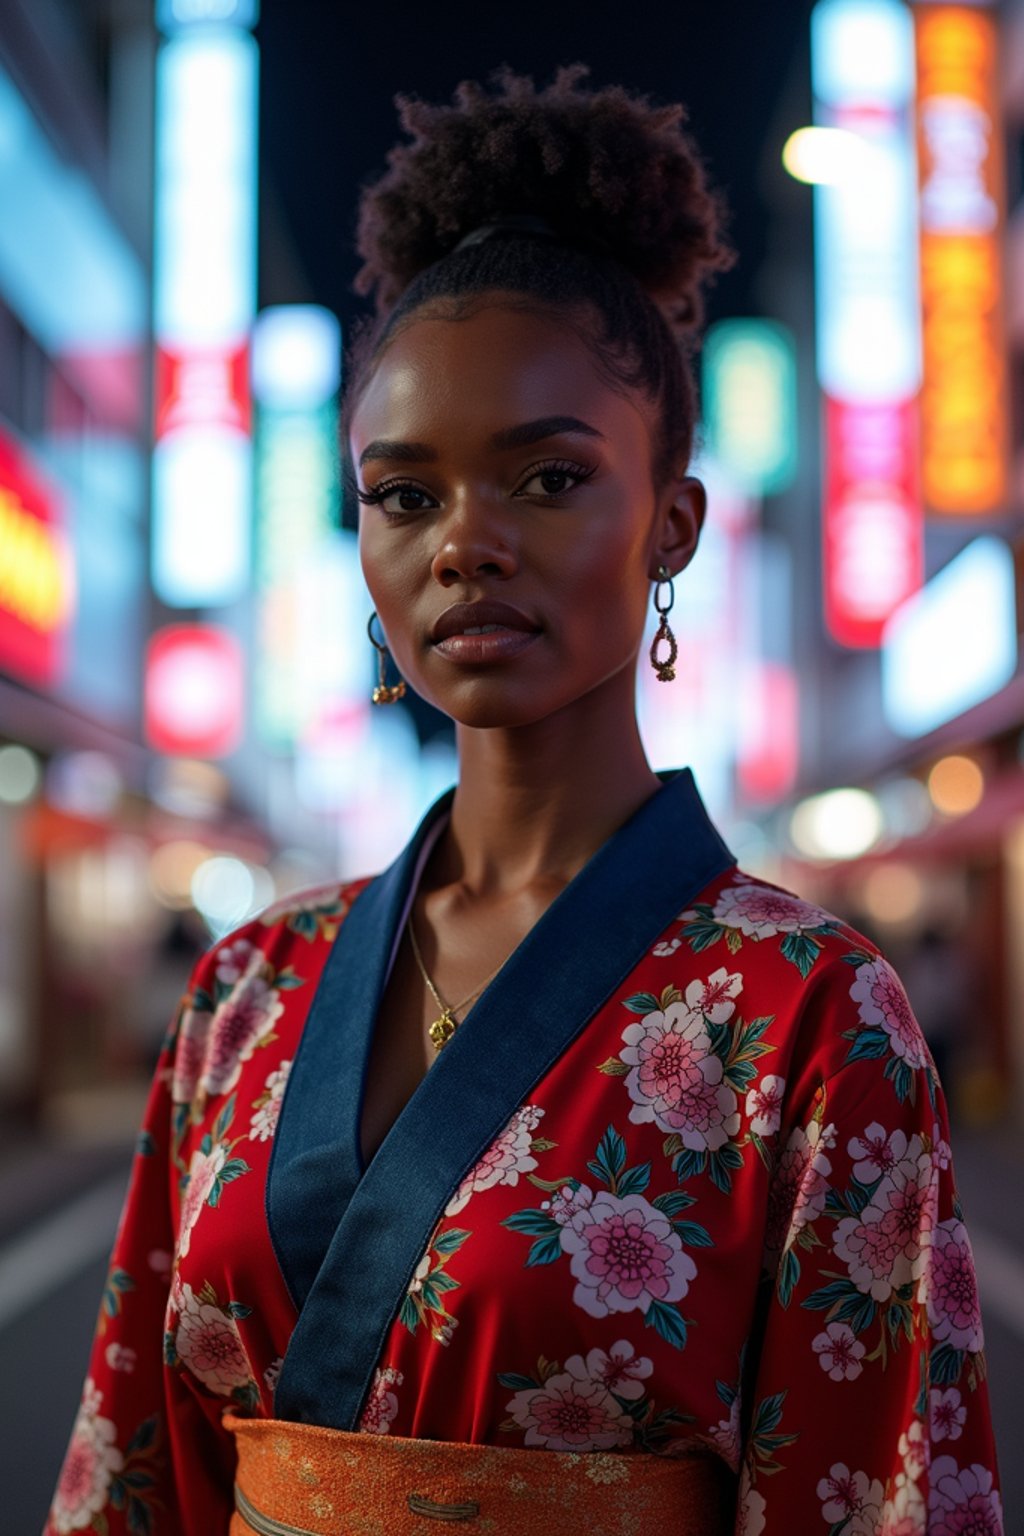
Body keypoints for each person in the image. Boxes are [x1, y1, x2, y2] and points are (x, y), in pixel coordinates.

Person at [47, 66, 1002, 1536]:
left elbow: (873, 1492)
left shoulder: (809, 1013)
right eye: (404, 495)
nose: (465, 546)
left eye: (547, 480)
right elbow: (132, 1465)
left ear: (673, 520)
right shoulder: (249, 984)